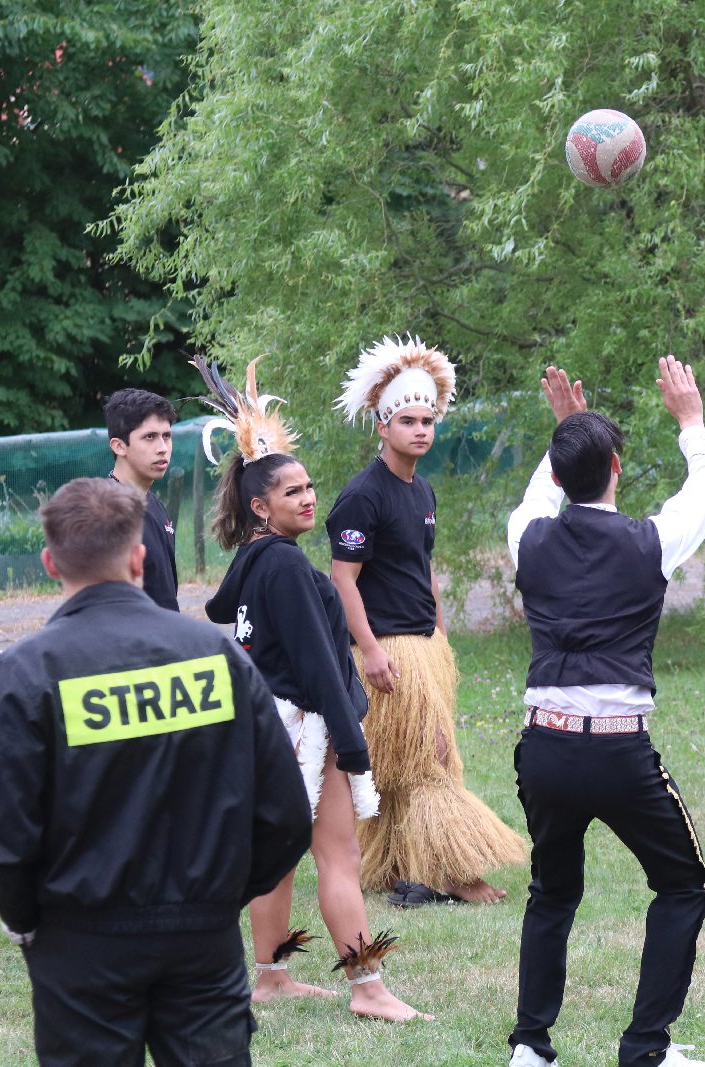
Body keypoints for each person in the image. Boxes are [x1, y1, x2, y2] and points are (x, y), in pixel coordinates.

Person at [0, 477, 311, 1067]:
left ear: (50, 563)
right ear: (138, 556)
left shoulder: (30, 671)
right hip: (200, 933)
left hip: (81, 941)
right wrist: (220, 894)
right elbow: (284, 809)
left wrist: (31, 924)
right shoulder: (215, 655)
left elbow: (1, 838)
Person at [195, 358, 429, 1021]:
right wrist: (352, 745)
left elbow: (230, 624)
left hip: (265, 724)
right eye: (291, 491)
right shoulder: (289, 568)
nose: (307, 497)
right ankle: (369, 987)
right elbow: (323, 666)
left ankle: (271, 973)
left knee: (278, 857)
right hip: (304, 726)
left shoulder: (250, 561)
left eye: (309, 486)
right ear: (259, 506)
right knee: (340, 855)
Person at [504, 358, 705, 1067]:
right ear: (618, 468)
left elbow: (545, 491)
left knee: (552, 891)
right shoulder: (649, 541)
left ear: (561, 475)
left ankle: (531, 1047)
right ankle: (645, 1051)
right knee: (683, 886)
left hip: (545, 743)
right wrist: (690, 420)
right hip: (617, 749)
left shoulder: (527, 534)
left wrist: (564, 429)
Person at [328, 335, 526, 906]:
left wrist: (439, 627)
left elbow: (423, 564)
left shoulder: (423, 490)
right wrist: (369, 650)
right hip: (388, 649)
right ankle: (456, 874)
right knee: (429, 760)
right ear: (384, 425)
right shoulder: (362, 497)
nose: (421, 430)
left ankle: (390, 868)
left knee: (399, 768)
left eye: (428, 420)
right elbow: (343, 581)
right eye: (409, 421)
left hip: (424, 645)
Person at [105, 387, 180, 611]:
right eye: (150, 437)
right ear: (119, 446)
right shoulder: (104, 512)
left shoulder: (155, 504)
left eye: (167, 436)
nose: (162, 448)